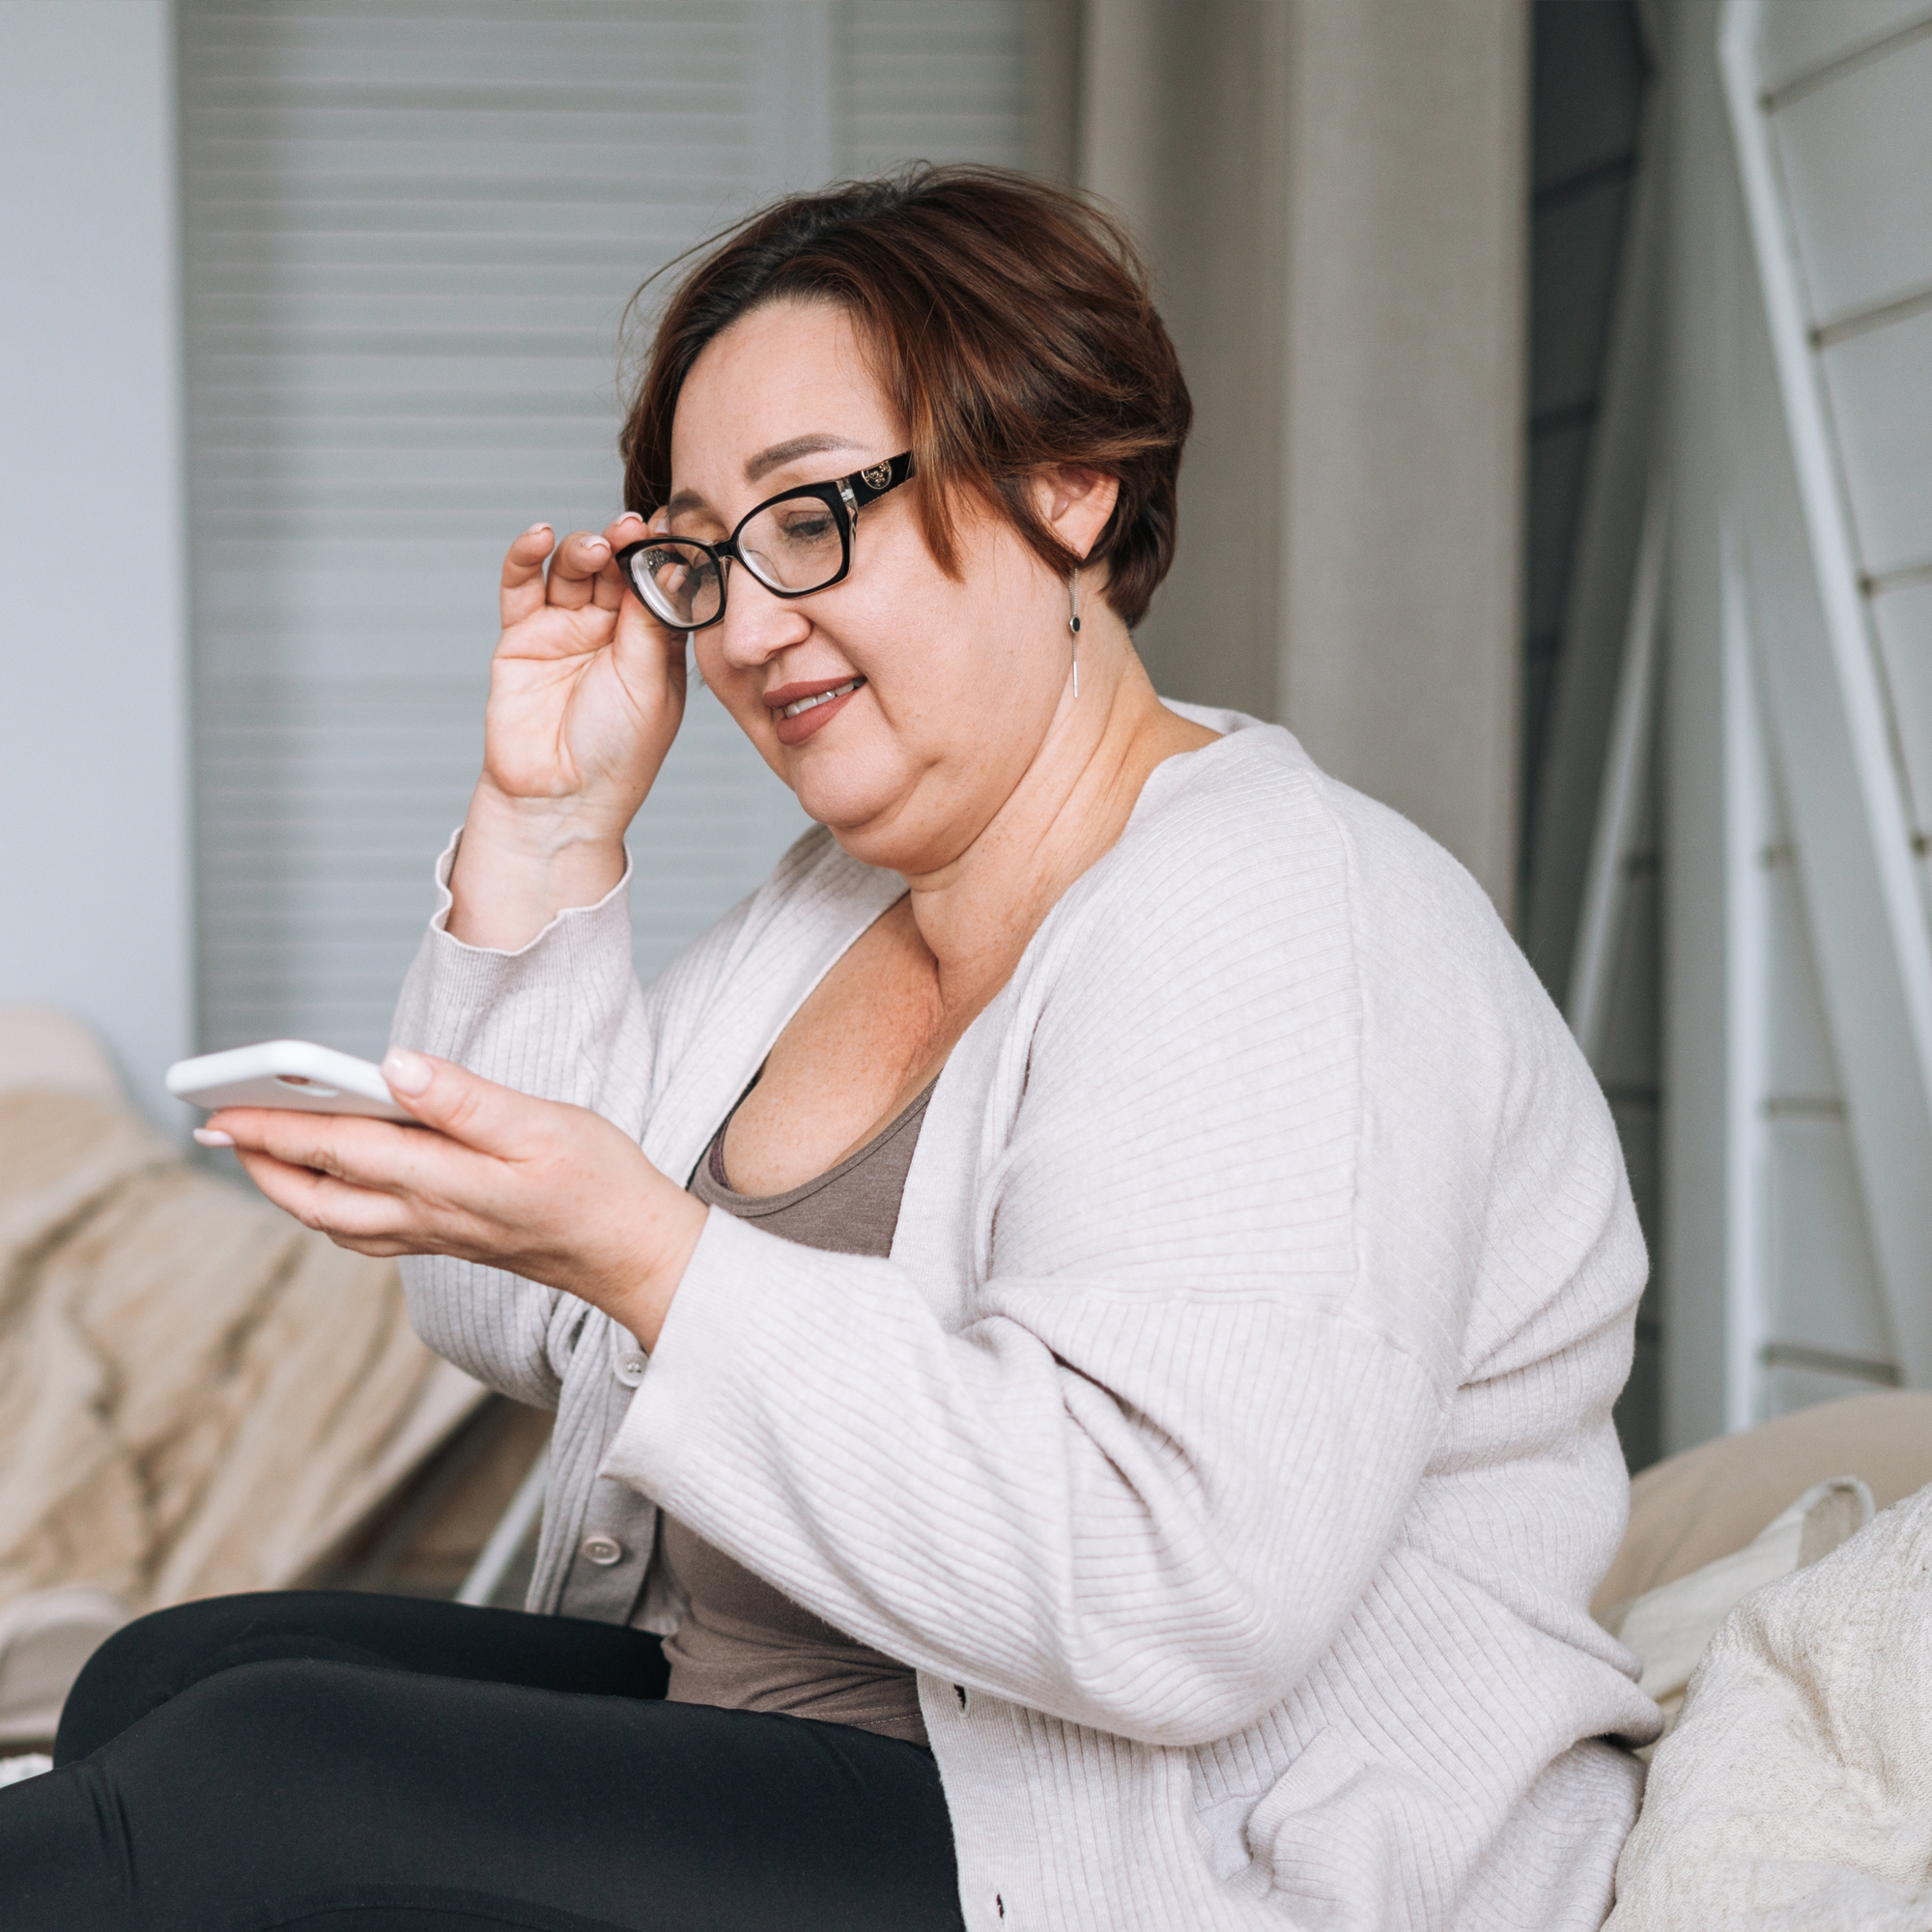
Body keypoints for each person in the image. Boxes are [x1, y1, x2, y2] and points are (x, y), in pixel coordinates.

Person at [0, 165, 1660, 1931]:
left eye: (810, 516)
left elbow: (1181, 1600)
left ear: (1068, 487)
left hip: (1147, 1843)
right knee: (167, 1684)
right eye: (704, 552)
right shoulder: (835, 909)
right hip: (829, 1729)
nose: (752, 620)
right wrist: (549, 826)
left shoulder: (1281, 915)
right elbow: (510, 1315)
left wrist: (654, 1251)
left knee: (241, 1789)